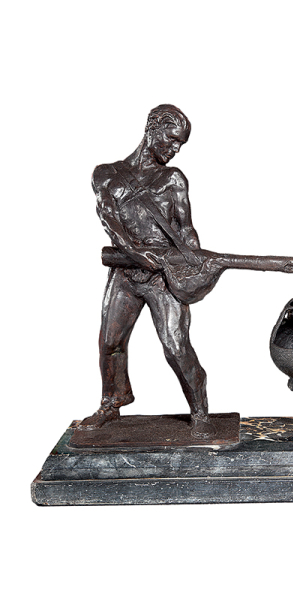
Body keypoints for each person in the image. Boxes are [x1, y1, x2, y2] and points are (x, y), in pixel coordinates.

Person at [80, 104, 215, 438]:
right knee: (110, 342)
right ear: (153, 128)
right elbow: (108, 219)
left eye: (180, 143)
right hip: (125, 273)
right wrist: (133, 251)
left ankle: (200, 410)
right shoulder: (106, 175)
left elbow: (186, 229)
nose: (175, 148)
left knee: (175, 346)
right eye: (172, 139)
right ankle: (111, 403)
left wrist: (192, 257)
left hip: (162, 275)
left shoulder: (173, 180)